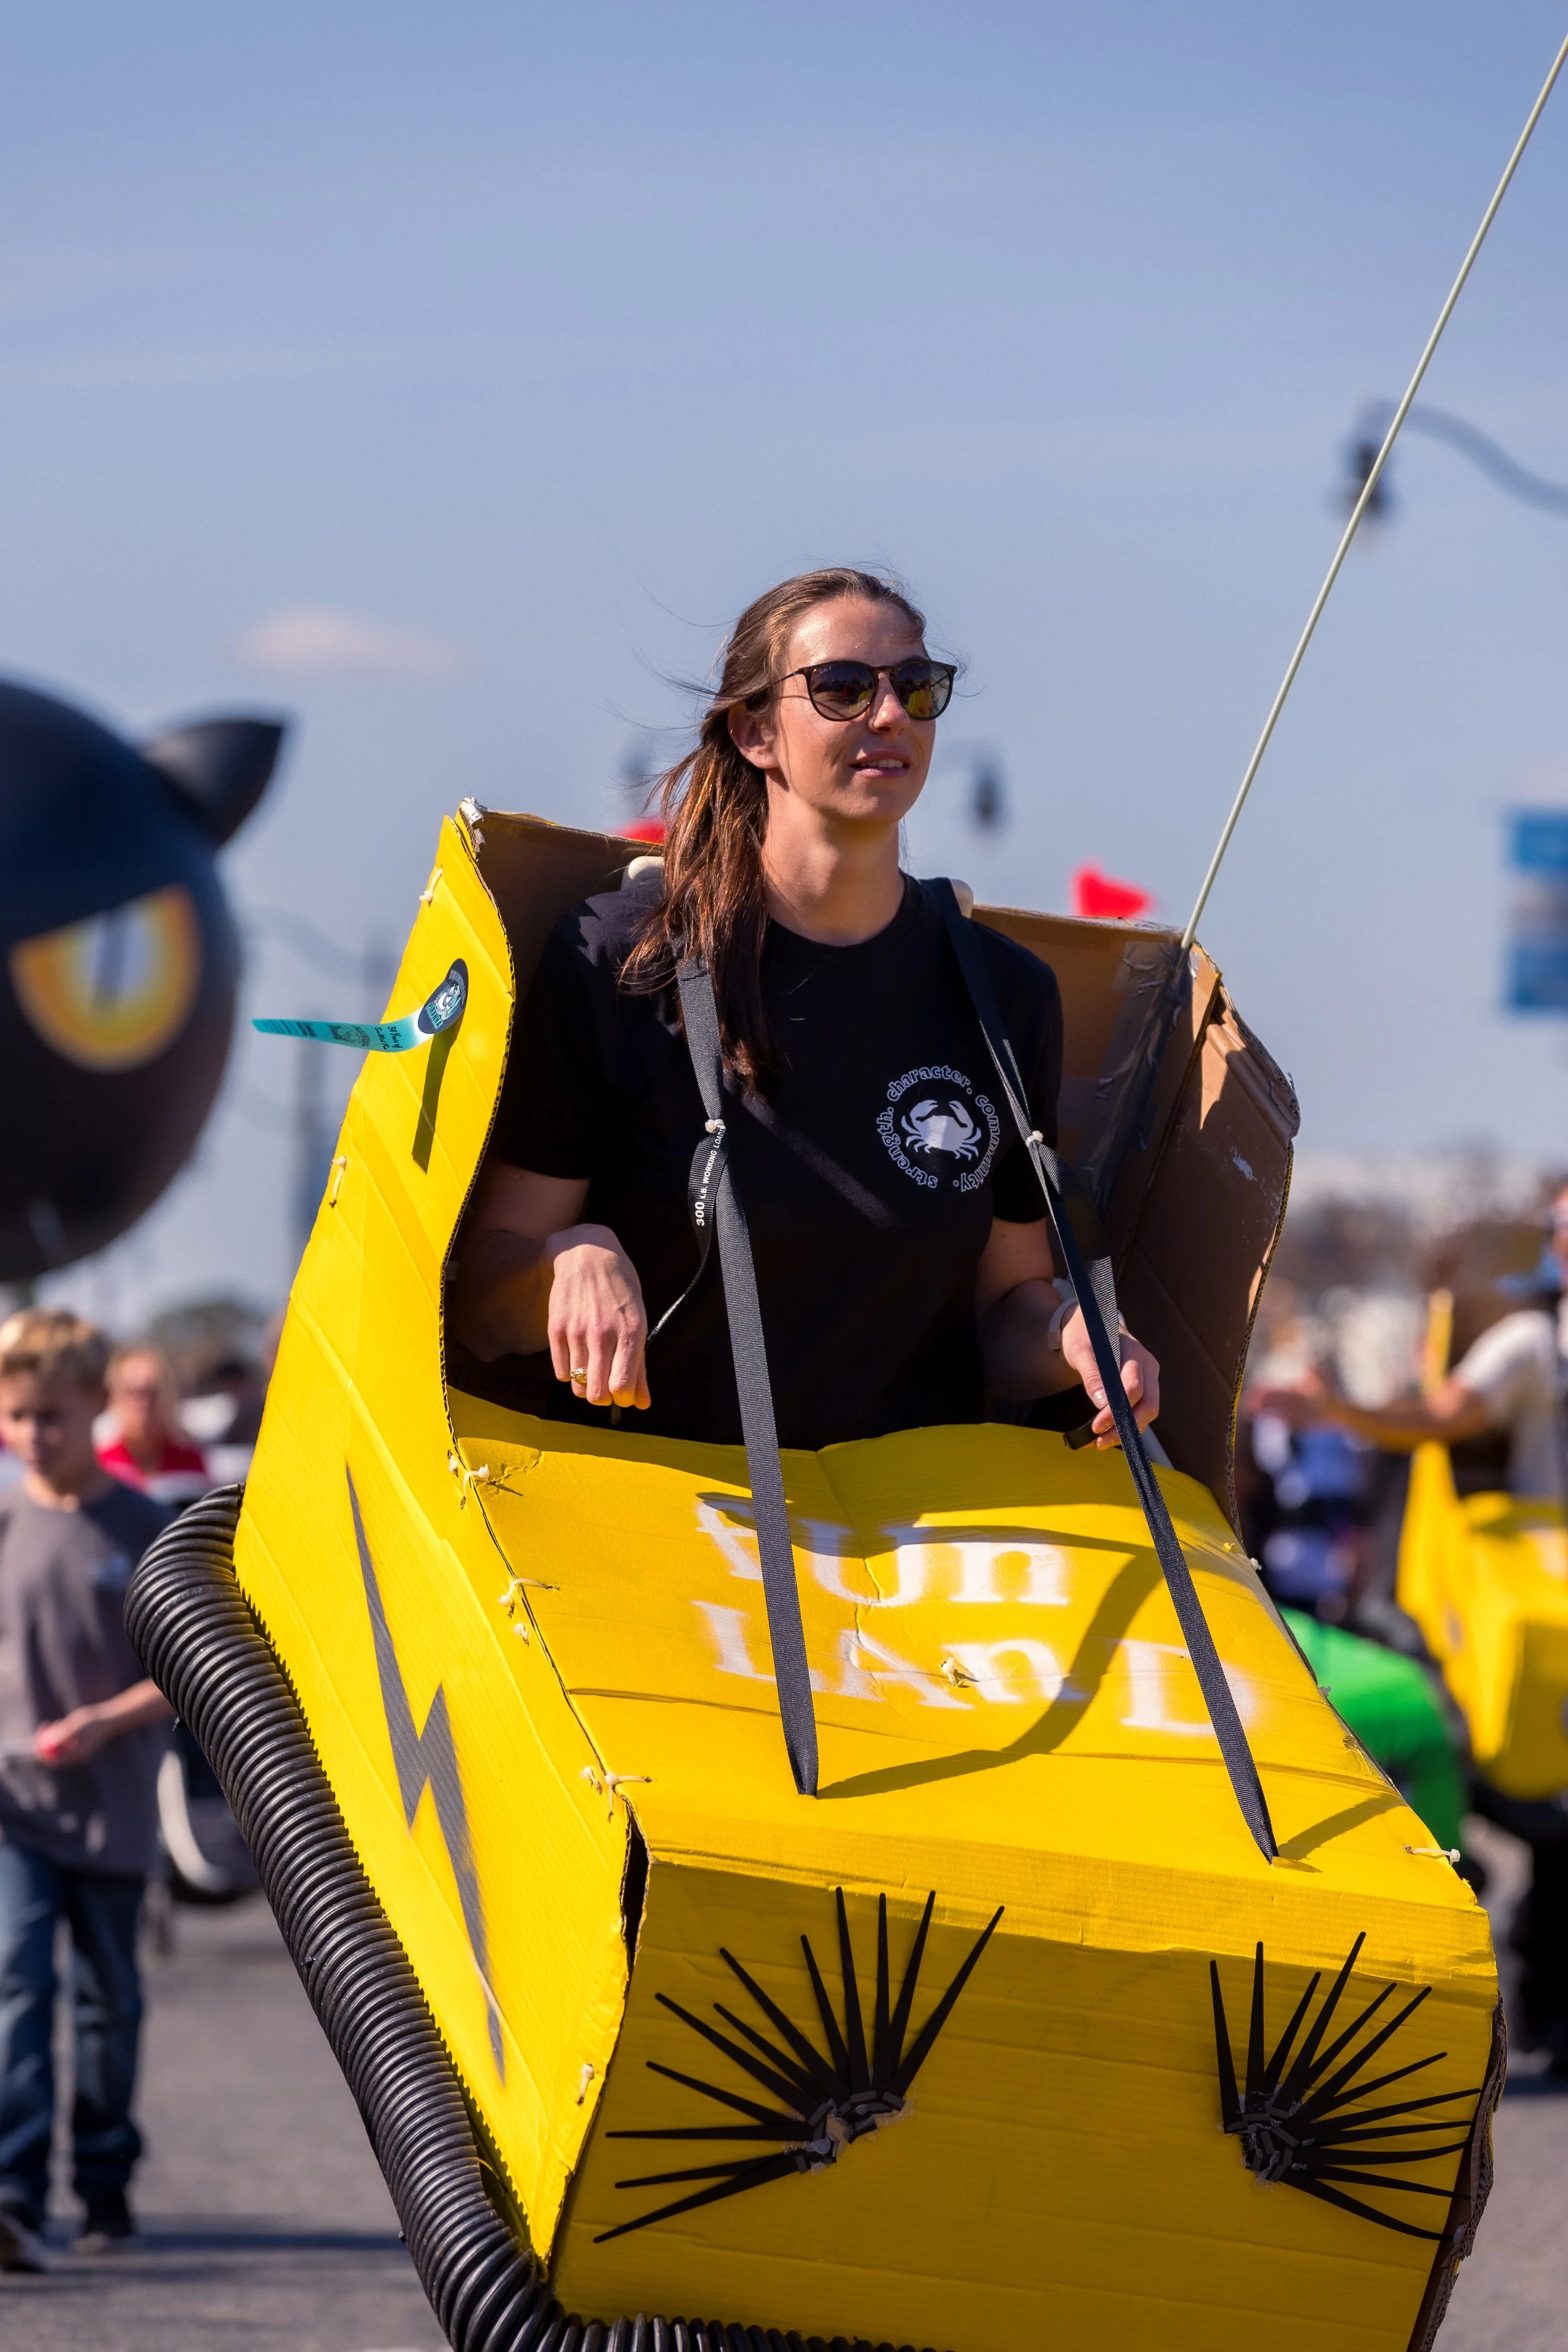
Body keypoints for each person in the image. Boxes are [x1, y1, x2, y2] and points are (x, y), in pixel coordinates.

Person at [451, 566, 1158, 1451]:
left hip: (911, 1551)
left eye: (916, 686)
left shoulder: (1003, 993)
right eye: (843, 688)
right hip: (651, 1534)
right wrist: (566, 1260)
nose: (890, 714)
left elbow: (1003, 1311)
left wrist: (1071, 1337)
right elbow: (480, 1302)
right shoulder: (620, 959)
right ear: (754, 731)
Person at [0, 1310, 175, 2270]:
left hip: (111, 1811)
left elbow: (182, 1671)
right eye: (19, 1415)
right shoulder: (4, 1519)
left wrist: (109, 1719)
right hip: (16, 1808)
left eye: (54, 1416)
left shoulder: (146, 1529)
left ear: (96, 1408)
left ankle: (104, 2178)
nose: (35, 1434)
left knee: (110, 2003)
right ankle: (13, 2190)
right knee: (19, 1984)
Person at [96, 1344, 211, 1507]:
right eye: (133, 1392)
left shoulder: (190, 1464)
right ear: (113, 1397)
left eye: (152, 1392)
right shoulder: (100, 1467)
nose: (144, 1403)